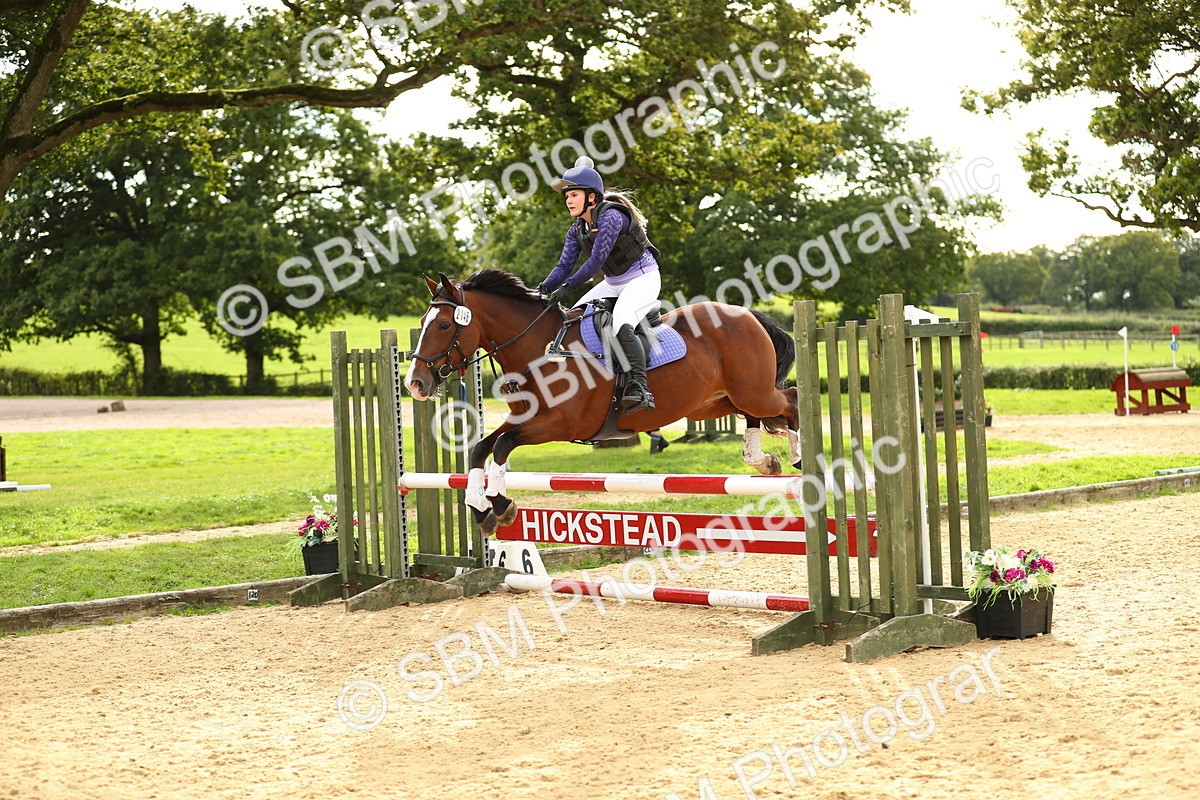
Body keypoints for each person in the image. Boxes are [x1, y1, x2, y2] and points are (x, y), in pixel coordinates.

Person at [537, 156, 661, 413]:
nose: (568, 200)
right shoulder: (577, 229)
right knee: (573, 319)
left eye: (573, 194)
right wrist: (544, 288)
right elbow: (564, 266)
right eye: (566, 196)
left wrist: (568, 286)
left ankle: (640, 387)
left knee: (621, 321)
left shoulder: (612, 217)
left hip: (643, 278)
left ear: (591, 197)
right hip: (613, 282)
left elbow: (596, 260)